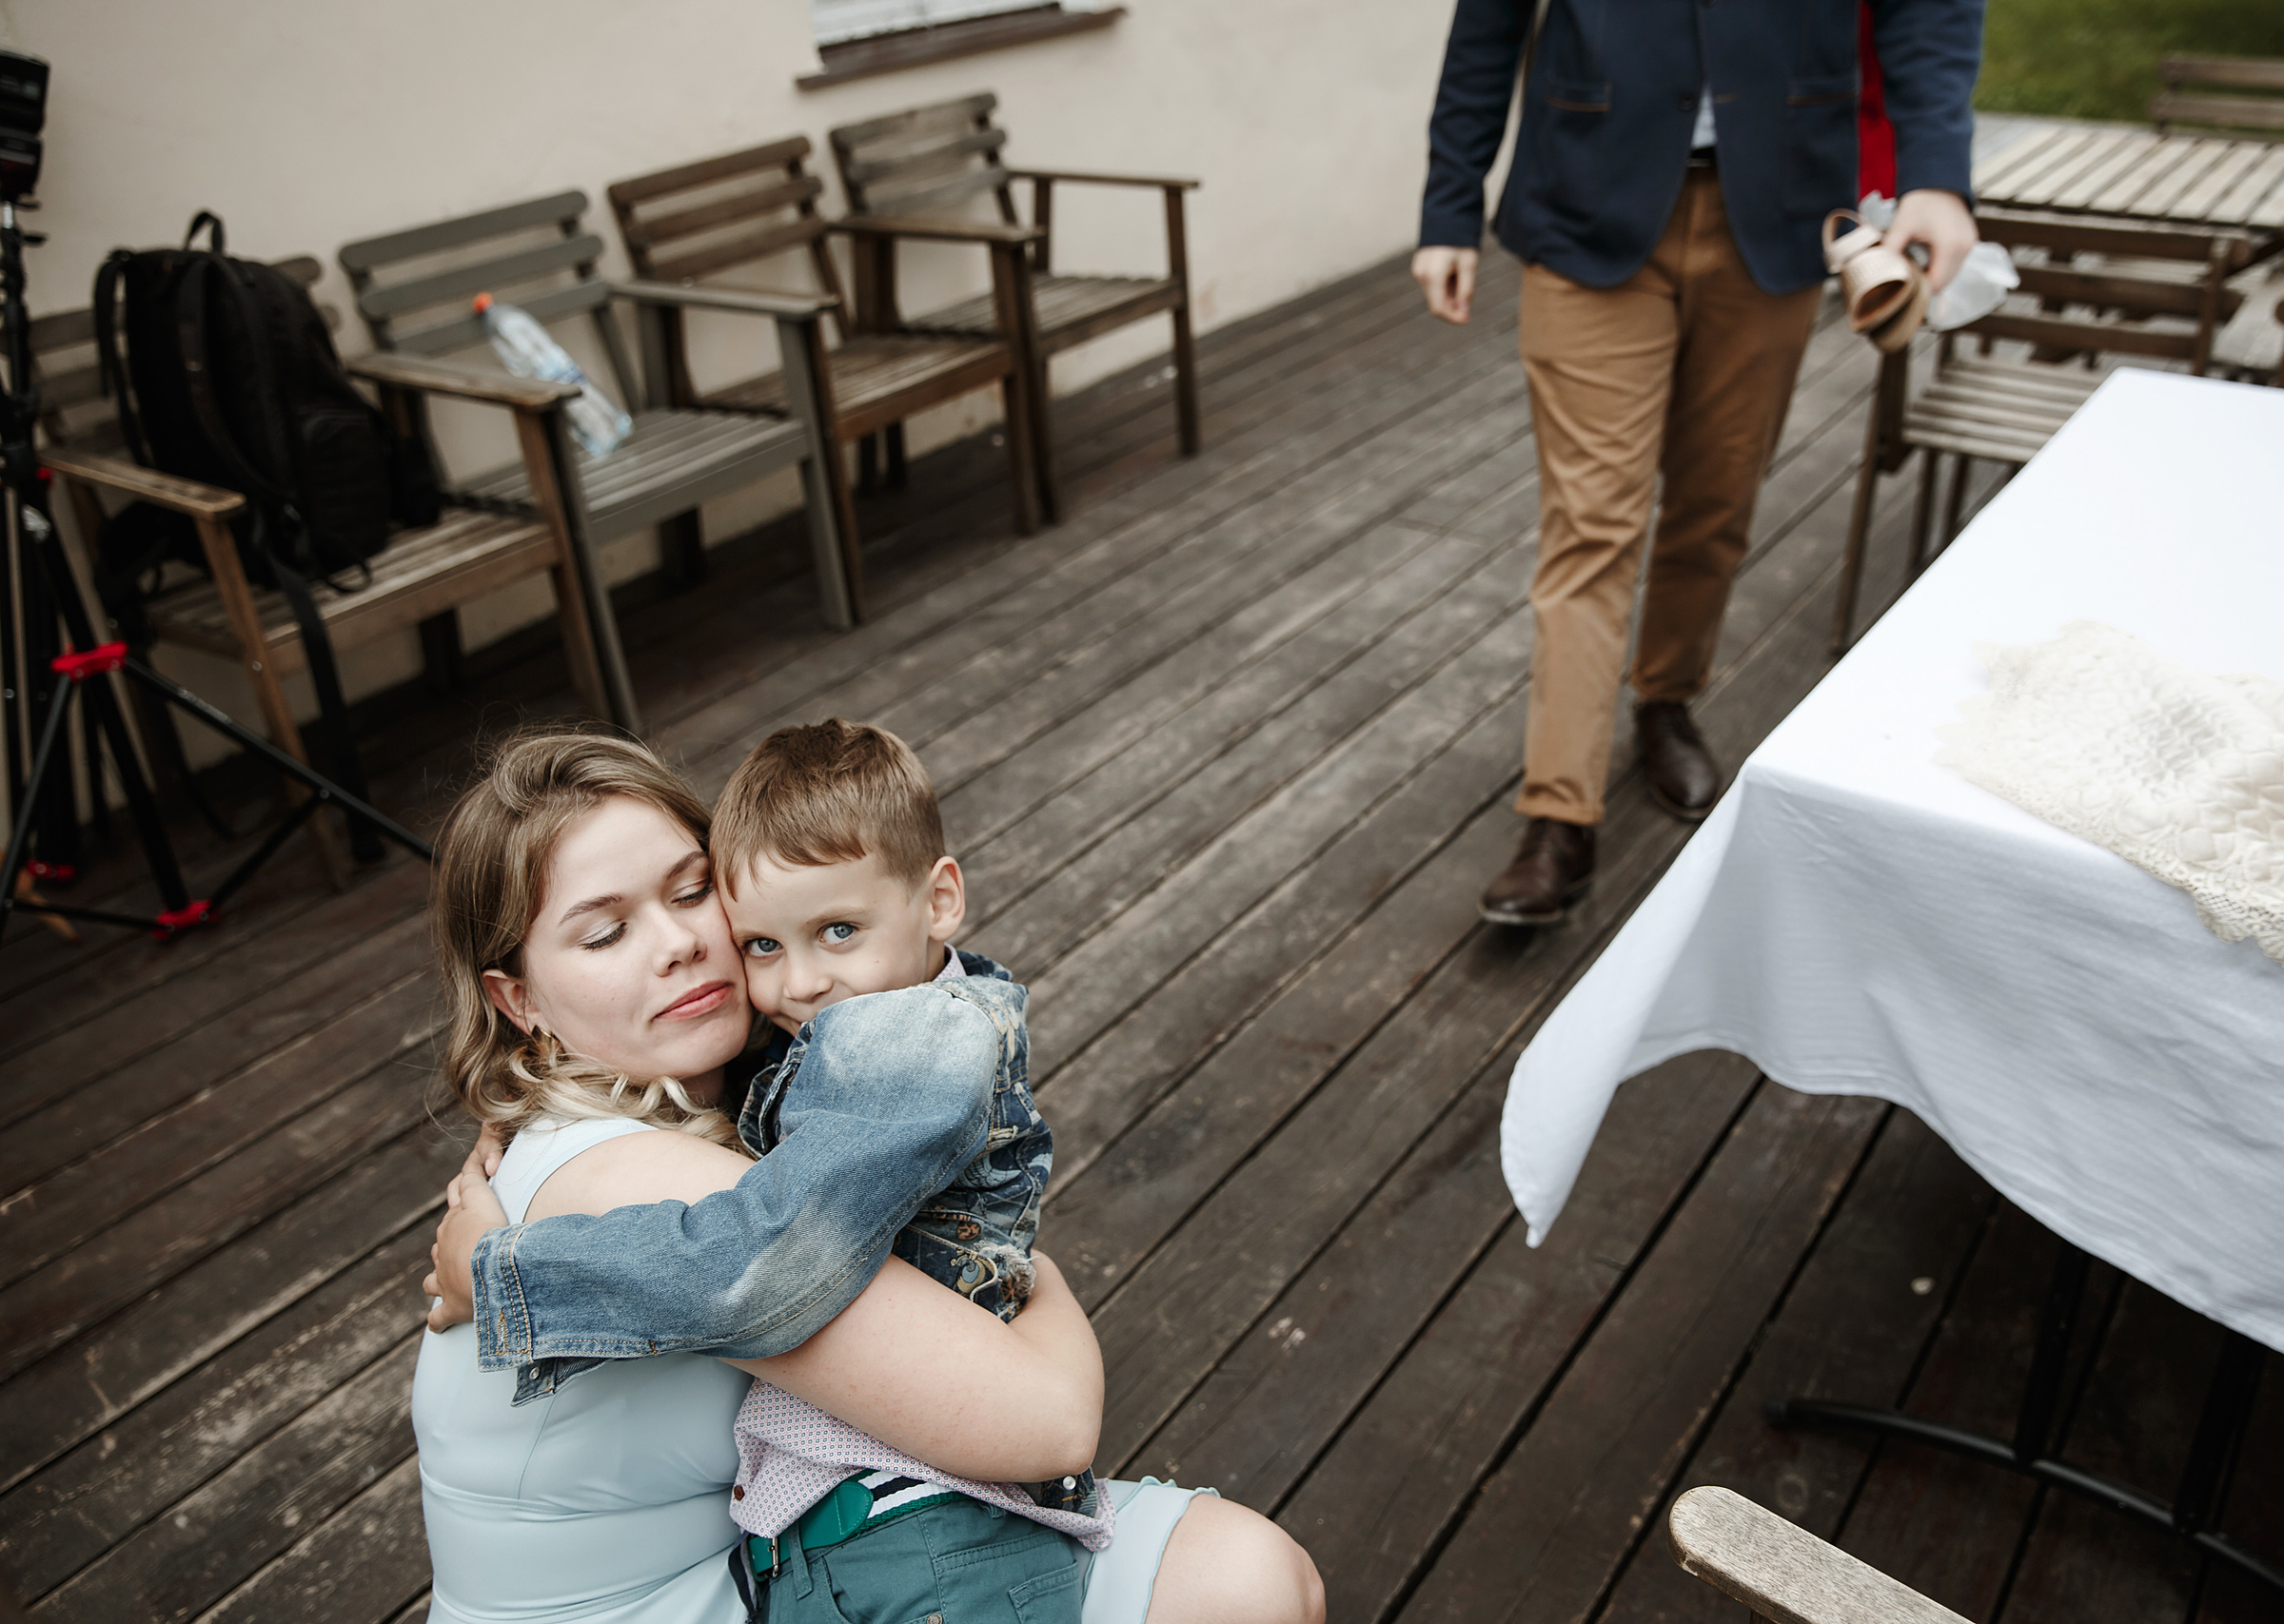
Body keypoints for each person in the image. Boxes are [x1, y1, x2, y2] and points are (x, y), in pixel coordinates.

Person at [414, 731, 1324, 1624]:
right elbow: (1046, 1422)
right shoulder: (622, 1171)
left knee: (1254, 1580)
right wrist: (497, 1272)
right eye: (607, 932)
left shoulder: (763, 1082)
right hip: (664, 1601)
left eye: (693, 892)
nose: (679, 943)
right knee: (1245, 1585)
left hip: (780, 1551)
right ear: (518, 999)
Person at [1412, 0, 1984, 925]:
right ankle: (1559, 811)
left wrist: (1935, 172)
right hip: (1585, 202)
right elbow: (1487, 22)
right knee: (1592, 524)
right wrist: (1449, 204)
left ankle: (1665, 698)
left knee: (1715, 502)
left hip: (1780, 208)